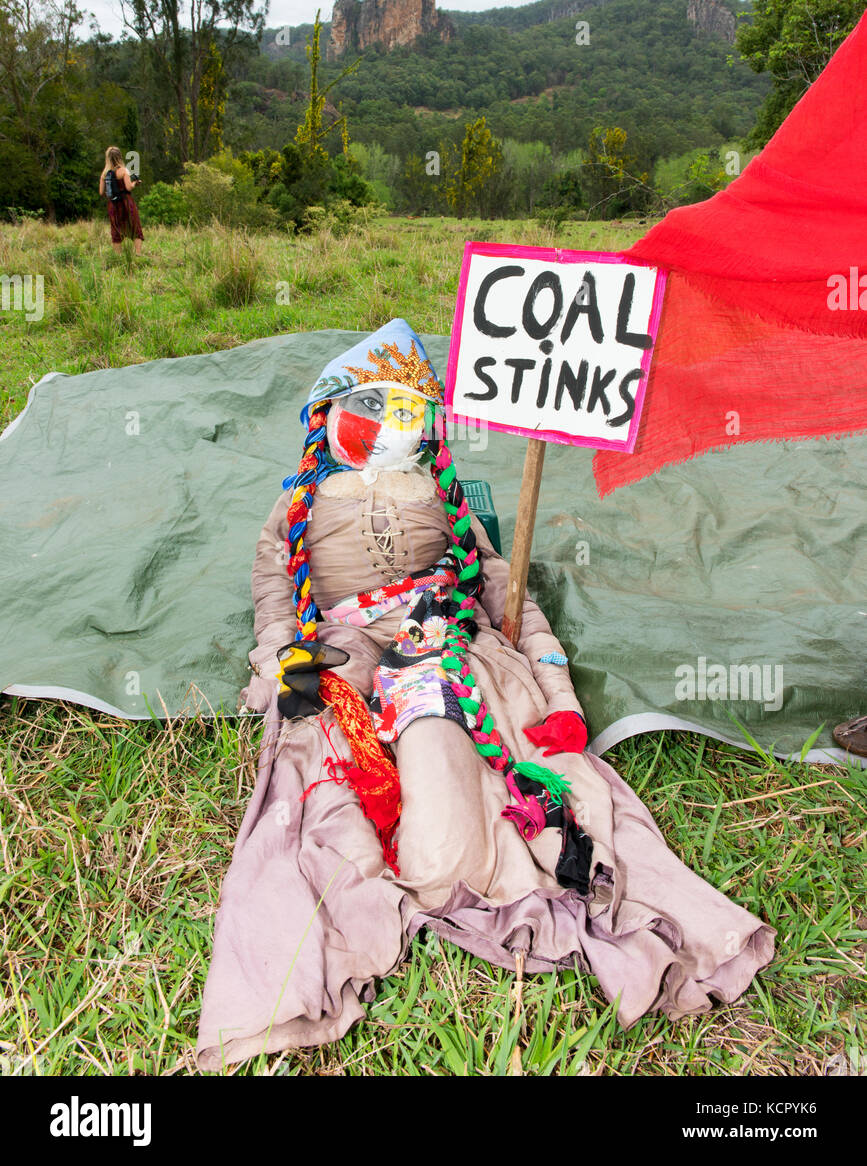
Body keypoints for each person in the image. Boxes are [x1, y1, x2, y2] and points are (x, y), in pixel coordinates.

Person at [197, 318, 775, 1069]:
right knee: (319, 745)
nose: (384, 430)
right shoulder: (297, 505)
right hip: (340, 634)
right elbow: (275, 586)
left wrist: (553, 686)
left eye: (403, 414)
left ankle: (452, 865)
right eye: (367, 411)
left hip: (435, 627)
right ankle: (352, 875)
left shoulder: (447, 500)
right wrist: (281, 660)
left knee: (443, 718)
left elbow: (510, 594)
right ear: (326, 415)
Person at [99, 146, 144, 255]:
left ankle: (118, 256)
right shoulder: (123, 171)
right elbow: (128, 188)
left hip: (113, 205)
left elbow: (101, 192)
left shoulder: (105, 174)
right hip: (126, 203)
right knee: (135, 227)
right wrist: (134, 183)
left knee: (116, 230)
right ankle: (137, 254)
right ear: (119, 157)